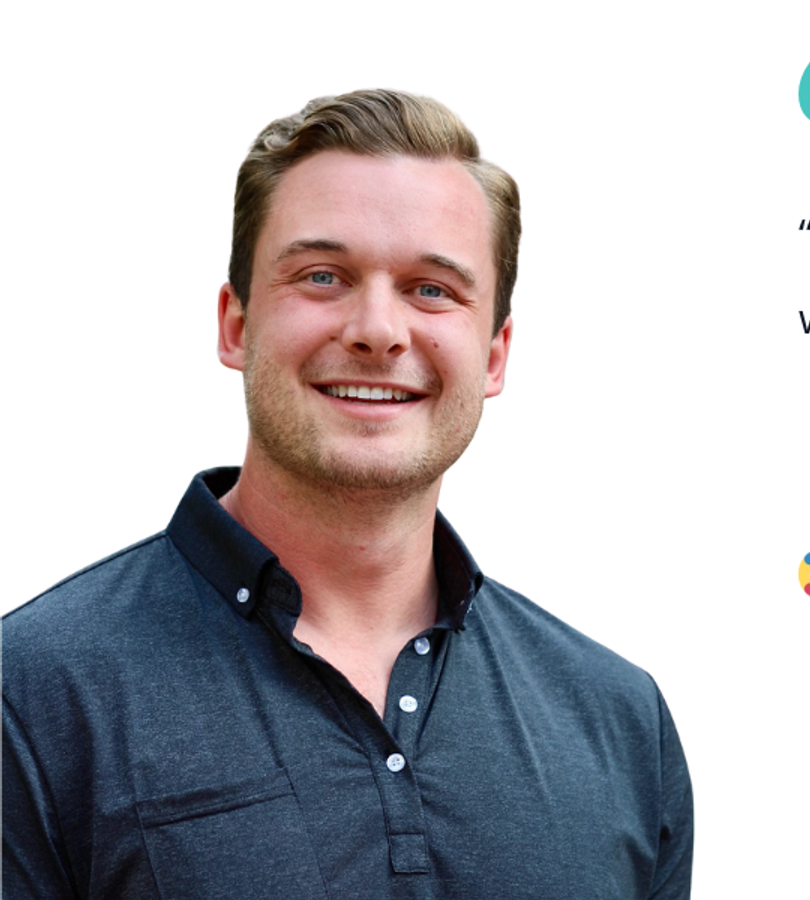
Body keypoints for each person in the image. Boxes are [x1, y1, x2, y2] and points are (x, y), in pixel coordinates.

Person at [2, 89, 693, 899]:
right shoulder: (33, 694)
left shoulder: (618, 719)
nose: (378, 329)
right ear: (235, 324)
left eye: (433, 289)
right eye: (323, 276)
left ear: (495, 356)